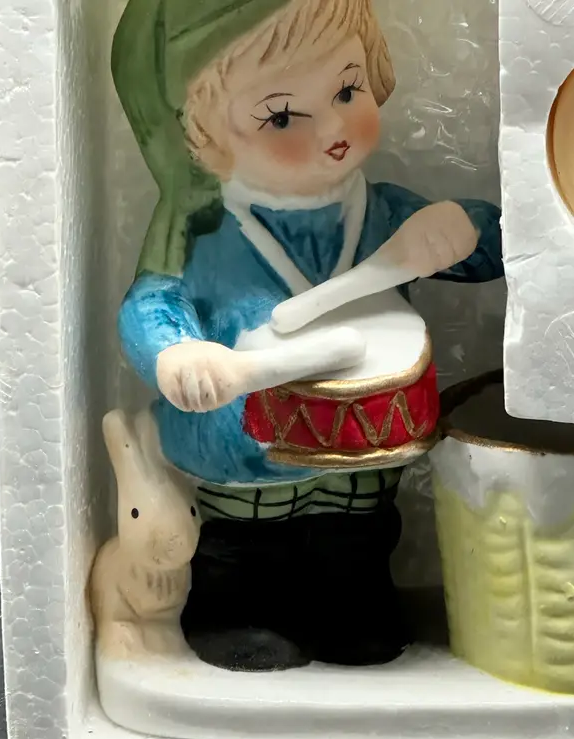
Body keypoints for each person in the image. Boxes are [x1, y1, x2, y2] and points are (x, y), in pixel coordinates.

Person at [111, 0, 505, 672]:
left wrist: (463, 226)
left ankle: (354, 612)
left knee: (357, 539)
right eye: (282, 116)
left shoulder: (383, 213)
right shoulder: (205, 231)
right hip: (243, 449)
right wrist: (176, 351)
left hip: (360, 452)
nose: (334, 129)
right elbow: (152, 302)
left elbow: (493, 252)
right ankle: (234, 615)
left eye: (347, 92)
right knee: (243, 547)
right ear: (205, 135)